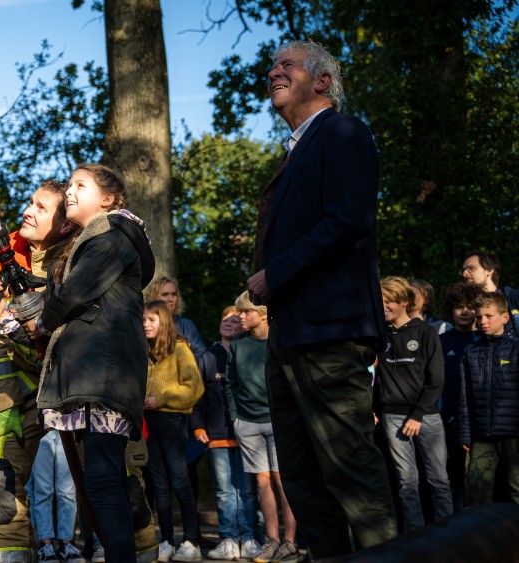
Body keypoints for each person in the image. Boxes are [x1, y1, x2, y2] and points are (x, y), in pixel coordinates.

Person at [247, 39, 397, 557]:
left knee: (350, 468)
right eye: (272, 66)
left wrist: (274, 274)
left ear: (323, 81)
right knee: (301, 475)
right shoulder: (295, 151)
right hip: (290, 335)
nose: (273, 72)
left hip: (330, 332)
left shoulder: (343, 132)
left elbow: (349, 220)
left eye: (287, 65)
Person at [36, 163, 156, 562]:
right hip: (99, 374)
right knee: (103, 478)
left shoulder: (111, 235)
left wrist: (41, 317)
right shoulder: (102, 237)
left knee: (104, 480)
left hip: (103, 375)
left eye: (79, 185)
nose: (69, 191)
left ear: (107, 199)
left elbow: (73, 296)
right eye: (69, 184)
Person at [0, 179, 78, 563]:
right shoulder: (1, 258)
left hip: (77, 387)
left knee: (119, 488)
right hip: (23, 389)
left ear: (66, 223)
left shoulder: (83, 254)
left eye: (40, 207)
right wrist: (4, 405)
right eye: (29, 203)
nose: (26, 211)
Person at [374, 277, 453, 531]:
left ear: (404, 302)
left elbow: (436, 380)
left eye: (389, 301)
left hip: (426, 416)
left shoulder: (426, 332)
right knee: (406, 482)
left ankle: (447, 533)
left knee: (438, 480)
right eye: (381, 301)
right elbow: (372, 376)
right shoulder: (379, 336)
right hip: (392, 417)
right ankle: (415, 537)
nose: (384, 306)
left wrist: (418, 415)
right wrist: (373, 409)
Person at [225, 292, 298, 563]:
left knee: (284, 481)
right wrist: (236, 417)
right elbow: (230, 383)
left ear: (265, 313)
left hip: (279, 422)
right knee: (263, 482)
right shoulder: (239, 344)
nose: (241, 316)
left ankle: (290, 542)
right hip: (248, 423)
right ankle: (272, 540)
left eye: (246, 312)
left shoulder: (280, 340)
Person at [191, 306, 260, 561]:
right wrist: (197, 426)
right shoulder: (208, 357)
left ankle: (249, 538)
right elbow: (198, 397)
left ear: (244, 325)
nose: (228, 323)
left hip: (248, 433)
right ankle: (228, 538)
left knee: (247, 490)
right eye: (224, 319)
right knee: (224, 491)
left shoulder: (250, 353)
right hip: (216, 434)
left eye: (234, 320)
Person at [142, 300, 204, 562]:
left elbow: (194, 387)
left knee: (180, 481)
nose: (146, 324)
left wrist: (162, 398)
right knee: (159, 485)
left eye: (151, 320)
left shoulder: (180, 349)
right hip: (148, 424)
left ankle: (191, 541)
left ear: (164, 321)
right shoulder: (142, 352)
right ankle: (166, 540)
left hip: (173, 423)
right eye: (143, 320)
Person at [458, 291, 519, 505]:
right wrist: (466, 434)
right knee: (476, 486)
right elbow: (465, 396)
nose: (483, 321)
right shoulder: (471, 352)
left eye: (489, 316)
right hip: (482, 434)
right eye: (479, 317)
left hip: (514, 433)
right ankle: (480, 537)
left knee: (516, 486)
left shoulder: (515, 349)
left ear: (505, 317)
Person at [439, 282, 481, 512]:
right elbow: (438, 385)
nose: (464, 311)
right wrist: (450, 417)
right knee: (452, 478)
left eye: (469, 307)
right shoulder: (441, 342)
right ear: (451, 310)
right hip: (449, 422)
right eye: (459, 307)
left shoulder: (484, 341)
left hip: (481, 424)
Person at [29, 430, 83, 562]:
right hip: (40, 426)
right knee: (43, 490)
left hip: (67, 425)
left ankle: (67, 543)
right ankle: (45, 545)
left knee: (67, 491)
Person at [460, 250, 519, 336]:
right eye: (463, 270)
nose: (464, 274)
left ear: (489, 270)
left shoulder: (512, 298)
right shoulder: (464, 306)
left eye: (471, 268)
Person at [145, 276, 206, 356]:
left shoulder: (185, 325)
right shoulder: (144, 324)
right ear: (153, 297)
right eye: (165, 294)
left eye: (174, 294)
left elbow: (201, 354)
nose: (171, 299)